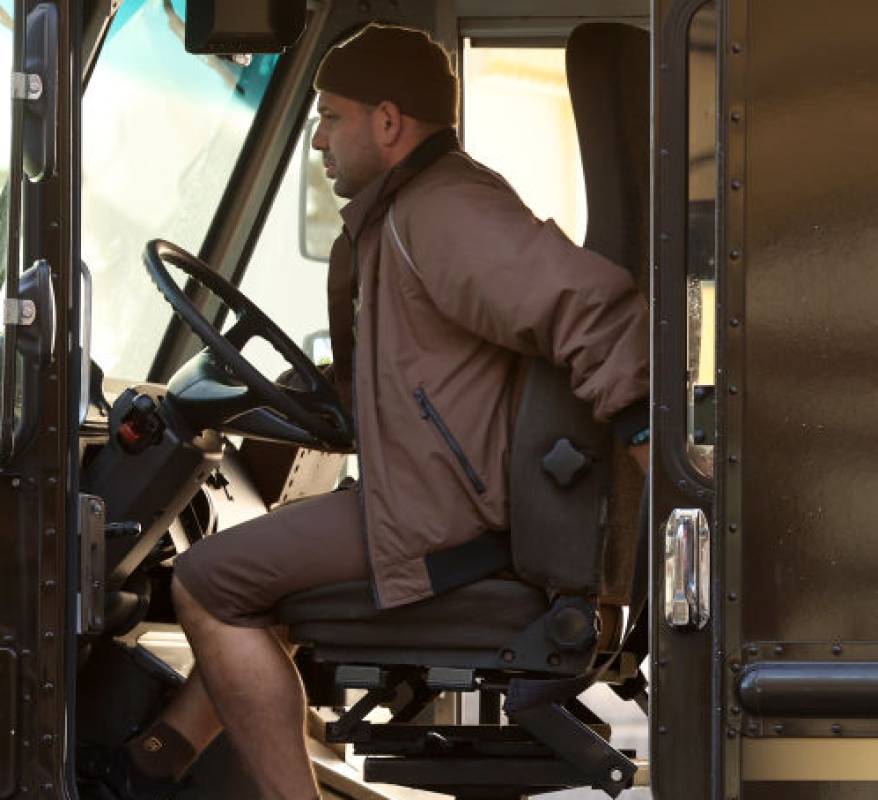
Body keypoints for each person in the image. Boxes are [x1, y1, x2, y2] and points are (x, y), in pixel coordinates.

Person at [97, 23, 650, 800]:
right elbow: (408, 376)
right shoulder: (405, 213)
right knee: (262, 582)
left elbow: (591, 310)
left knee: (205, 582)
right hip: (446, 502)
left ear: (388, 123)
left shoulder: (441, 210)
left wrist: (658, 454)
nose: (317, 140)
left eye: (329, 116)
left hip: (444, 521)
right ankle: (153, 763)